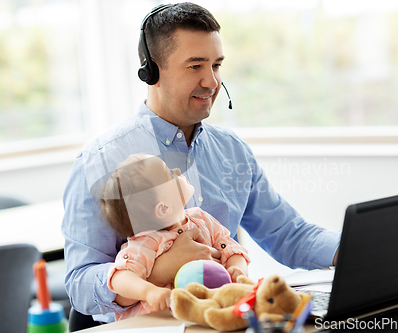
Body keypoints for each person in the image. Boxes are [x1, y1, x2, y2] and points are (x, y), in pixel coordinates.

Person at [62, 2, 340, 323]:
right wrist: (159, 272)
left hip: (224, 321)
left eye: (217, 65)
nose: (211, 82)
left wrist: (357, 250)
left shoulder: (232, 150)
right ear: (151, 70)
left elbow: (288, 234)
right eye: (195, 66)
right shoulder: (99, 160)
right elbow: (80, 286)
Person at [99, 153, 249, 320]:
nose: (177, 170)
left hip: (211, 314)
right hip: (162, 324)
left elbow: (232, 249)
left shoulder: (202, 219)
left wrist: (238, 270)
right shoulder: (145, 244)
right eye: (169, 174)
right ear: (164, 209)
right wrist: (150, 292)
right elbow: (120, 277)